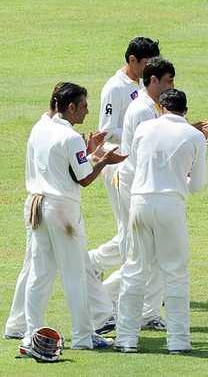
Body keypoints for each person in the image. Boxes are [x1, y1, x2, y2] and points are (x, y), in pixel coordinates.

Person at [4, 85, 115, 339]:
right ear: (71, 107)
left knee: (39, 273)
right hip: (62, 210)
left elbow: (60, 164)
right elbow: (84, 178)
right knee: (75, 274)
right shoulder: (71, 137)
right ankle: (83, 337)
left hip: (36, 205)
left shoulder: (39, 128)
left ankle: (31, 332)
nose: (88, 112)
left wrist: (87, 153)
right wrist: (103, 160)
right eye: (84, 106)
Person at [115, 89, 207, 354]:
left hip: (140, 202)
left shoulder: (145, 128)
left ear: (162, 107)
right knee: (175, 272)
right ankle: (178, 341)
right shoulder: (194, 135)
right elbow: (198, 184)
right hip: (170, 204)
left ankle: (126, 339)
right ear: (184, 111)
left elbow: (132, 165)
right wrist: (180, 179)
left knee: (134, 270)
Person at [107, 57, 177, 330]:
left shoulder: (153, 107)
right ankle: (102, 297)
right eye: (169, 80)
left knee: (152, 253)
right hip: (137, 185)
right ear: (153, 80)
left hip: (144, 184)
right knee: (143, 253)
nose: (172, 86)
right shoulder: (142, 110)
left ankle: (147, 312)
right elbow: (148, 152)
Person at [89, 37, 160, 277]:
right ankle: (112, 275)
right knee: (128, 227)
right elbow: (106, 130)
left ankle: (94, 265)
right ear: (132, 60)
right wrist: (140, 133)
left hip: (136, 161)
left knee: (134, 228)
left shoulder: (143, 83)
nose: (151, 69)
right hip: (115, 163)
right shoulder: (115, 87)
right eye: (147, 63)